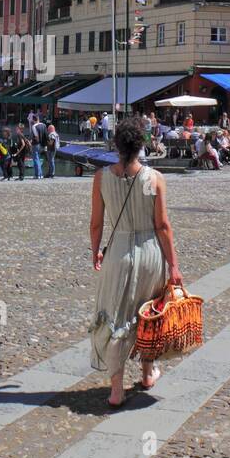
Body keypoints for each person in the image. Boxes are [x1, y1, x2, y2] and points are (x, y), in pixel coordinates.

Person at [89, 117, 182, 408]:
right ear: (141, 146)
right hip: (150, 252)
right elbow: (163, 225)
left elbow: (96, 223)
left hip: (118, 252)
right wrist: (174, 266)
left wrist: (96, 251)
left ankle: (116, 388)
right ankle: (147, 372)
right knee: (148, 313)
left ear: (116, 146)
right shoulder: (154, 178)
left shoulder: (101, 177)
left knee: (116, 315)